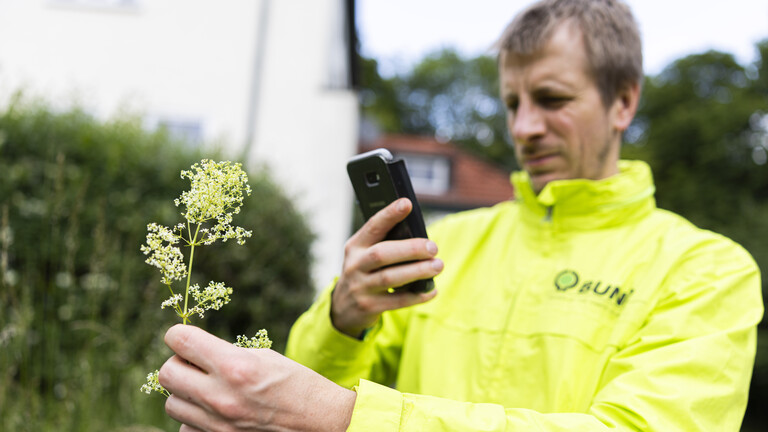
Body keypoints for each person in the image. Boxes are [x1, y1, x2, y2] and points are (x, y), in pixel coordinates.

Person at [157, 0, 764, 430]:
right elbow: (290, 403)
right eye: (512, 102)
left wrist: (346, 419)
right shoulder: (449, 242)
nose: (525, 127)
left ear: (623, 100)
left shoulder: (706, 271)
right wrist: (343, 319)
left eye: (552, 100)